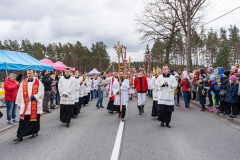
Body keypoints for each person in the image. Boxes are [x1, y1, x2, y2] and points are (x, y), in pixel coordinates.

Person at [13, 69, 44, 142]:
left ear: (33, 74)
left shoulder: (38, 82)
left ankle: (35, 132)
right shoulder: (23, 82)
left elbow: (41, 93)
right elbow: (19, 93)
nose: (29, 75)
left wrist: (33, 98)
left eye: (30, 73)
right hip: (25, 105)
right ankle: (20, 135)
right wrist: (19, 103)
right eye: (28, 73)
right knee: (22, 120)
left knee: (34, 120)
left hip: (34, 104)